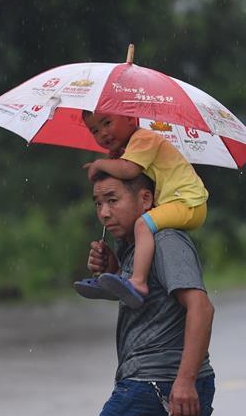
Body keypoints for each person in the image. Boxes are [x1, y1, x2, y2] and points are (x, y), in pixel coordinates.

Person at [78, 170, 215, 416]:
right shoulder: (138, 247)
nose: (104, 213)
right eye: (98, 203)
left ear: (145, 199)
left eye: (113, 200)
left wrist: (183, 382)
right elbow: (149, 300)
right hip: (176, 387)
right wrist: (115, 268)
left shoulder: (166, 240)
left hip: (154, 386)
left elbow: (201, 307)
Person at [77, 111, 209, 308]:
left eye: (107, 123)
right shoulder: (131, 147)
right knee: (142, 226)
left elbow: (129, 170)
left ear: (131, 119)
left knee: (142, 225)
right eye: (95, 130)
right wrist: (112, 268)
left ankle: (137, 282)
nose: (103, 133)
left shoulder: (144, 137)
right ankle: (117, 278)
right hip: (177, 202)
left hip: (188, 203)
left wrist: (100, 164)